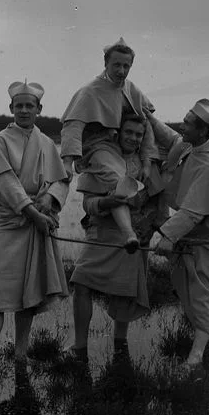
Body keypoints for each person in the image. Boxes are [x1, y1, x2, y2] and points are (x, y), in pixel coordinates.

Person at [0, 80, 70, 366]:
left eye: (30, 106)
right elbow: (5, 183)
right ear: (11, 108)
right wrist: (32, 213)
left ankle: (21, 354)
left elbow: (62, 180)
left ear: (39, 109)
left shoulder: (47, 143)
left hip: (38, 224)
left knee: (29, 295)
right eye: (19, 106)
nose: (24, 110)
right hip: (10, 223)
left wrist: (48, 203)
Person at [149, 99, 209, 367]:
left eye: (188, 123)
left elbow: (194, 211)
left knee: (202, 290)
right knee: (183, 286)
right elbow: (170, 134)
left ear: (203, 131)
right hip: (191, 231)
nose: (182, 125)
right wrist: (148, 116)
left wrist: (166, 238)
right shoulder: (190, 146)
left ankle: (196, 356)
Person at [69, 113, 168, 358]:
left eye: (138, 134)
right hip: (102, 232)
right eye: (128, 132)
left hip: (134, 238)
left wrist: (166, 234)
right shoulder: (102, 159)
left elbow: (160, 210)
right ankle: (79, 346)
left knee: (125, 294)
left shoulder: (149, 167)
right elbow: (87, 204)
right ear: (117, 132)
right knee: (81, 283)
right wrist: (106, 202)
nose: (133, 138)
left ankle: (120, 346)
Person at [60, 37, 159, 250]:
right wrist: (68, 162)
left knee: (157, 179)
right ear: (106, 64)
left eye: (126, 66)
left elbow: (147, 124)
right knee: (118, 180)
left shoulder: (131, 89)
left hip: (125, 147)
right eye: (116, 65)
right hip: (98, 146)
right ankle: (128, 234)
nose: (121, 71)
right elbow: (72, 127)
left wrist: (148, 162)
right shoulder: (90, 91)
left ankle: (157, 229)